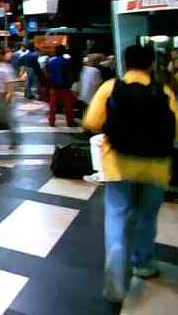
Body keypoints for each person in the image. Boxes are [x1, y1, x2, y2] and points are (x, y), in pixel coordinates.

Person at [82, 45, 178, 305]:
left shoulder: (111, 87)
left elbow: (91, 122)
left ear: (126, 62)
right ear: (150, 64)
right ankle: (143, 263)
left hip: (118, 163)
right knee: (147, 215)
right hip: (155, 165)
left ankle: (115, 260)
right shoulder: (163, 91)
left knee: (116, 214)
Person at [47, 45, 76, 127]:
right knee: (68, 104)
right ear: (64, 52)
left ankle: (51, 122)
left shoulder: (50, 61)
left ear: (55, 52)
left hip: (53, 86)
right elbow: (70, 75)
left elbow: (48, 74)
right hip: (65, 86)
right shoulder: (67, 62)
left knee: (52, 105)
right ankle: (70, 121)